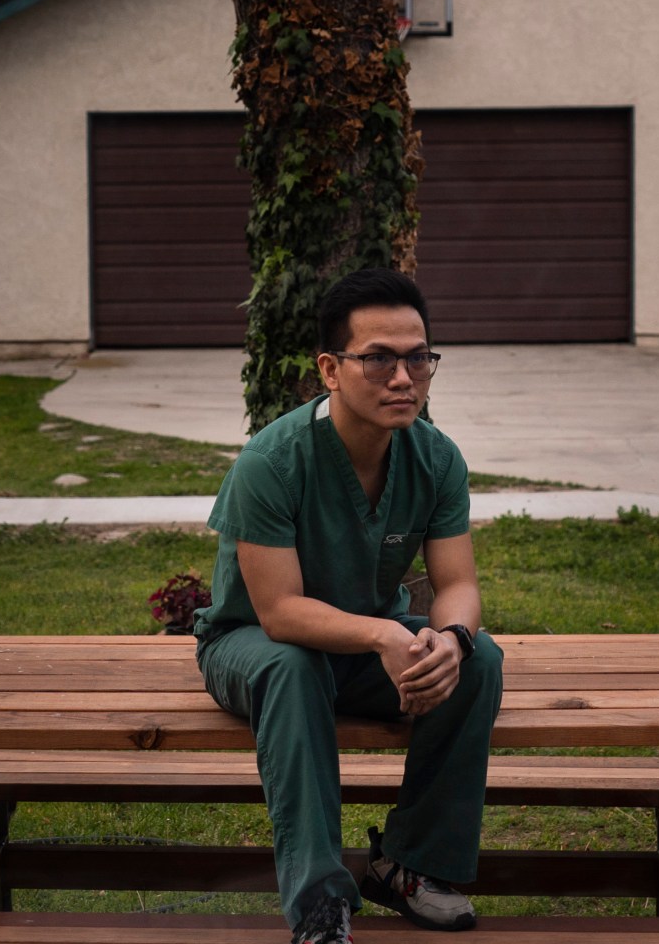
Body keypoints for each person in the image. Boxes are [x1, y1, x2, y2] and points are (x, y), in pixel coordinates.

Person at [194, 267, 503, 944]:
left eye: (419, 357)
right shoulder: (271, 463)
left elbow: (457, 583)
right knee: (294, 666)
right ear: (331, 370)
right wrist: (385, 637)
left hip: (361, 648)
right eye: (379, 358)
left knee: (479, 661)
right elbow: (278, 613)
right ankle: (319, 899)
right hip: (251, 645)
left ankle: (411, 866)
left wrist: (449, 639)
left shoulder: (436, 458)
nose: (403, 377)